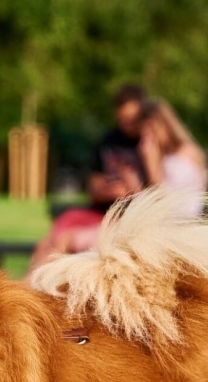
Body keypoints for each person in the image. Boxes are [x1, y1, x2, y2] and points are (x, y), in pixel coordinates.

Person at [30, 84, 147, 269]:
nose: (127, 125)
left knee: (60, 243)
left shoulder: (149, 145)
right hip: (100, 212)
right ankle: (28, 282)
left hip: (126, 219)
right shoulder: (108, 142)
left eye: (132, 119)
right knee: (45, 243)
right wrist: (107, 190)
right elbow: (93, 185)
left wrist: (132, 190)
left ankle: (35, 282)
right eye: (122, 119)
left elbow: (158, 189)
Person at [137, 99, 208, 217]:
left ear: (165, 125)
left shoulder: (185, 154)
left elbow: (164, 197)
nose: (150, 137)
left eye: (152, 130)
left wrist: (151, 165)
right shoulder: (164, 155)